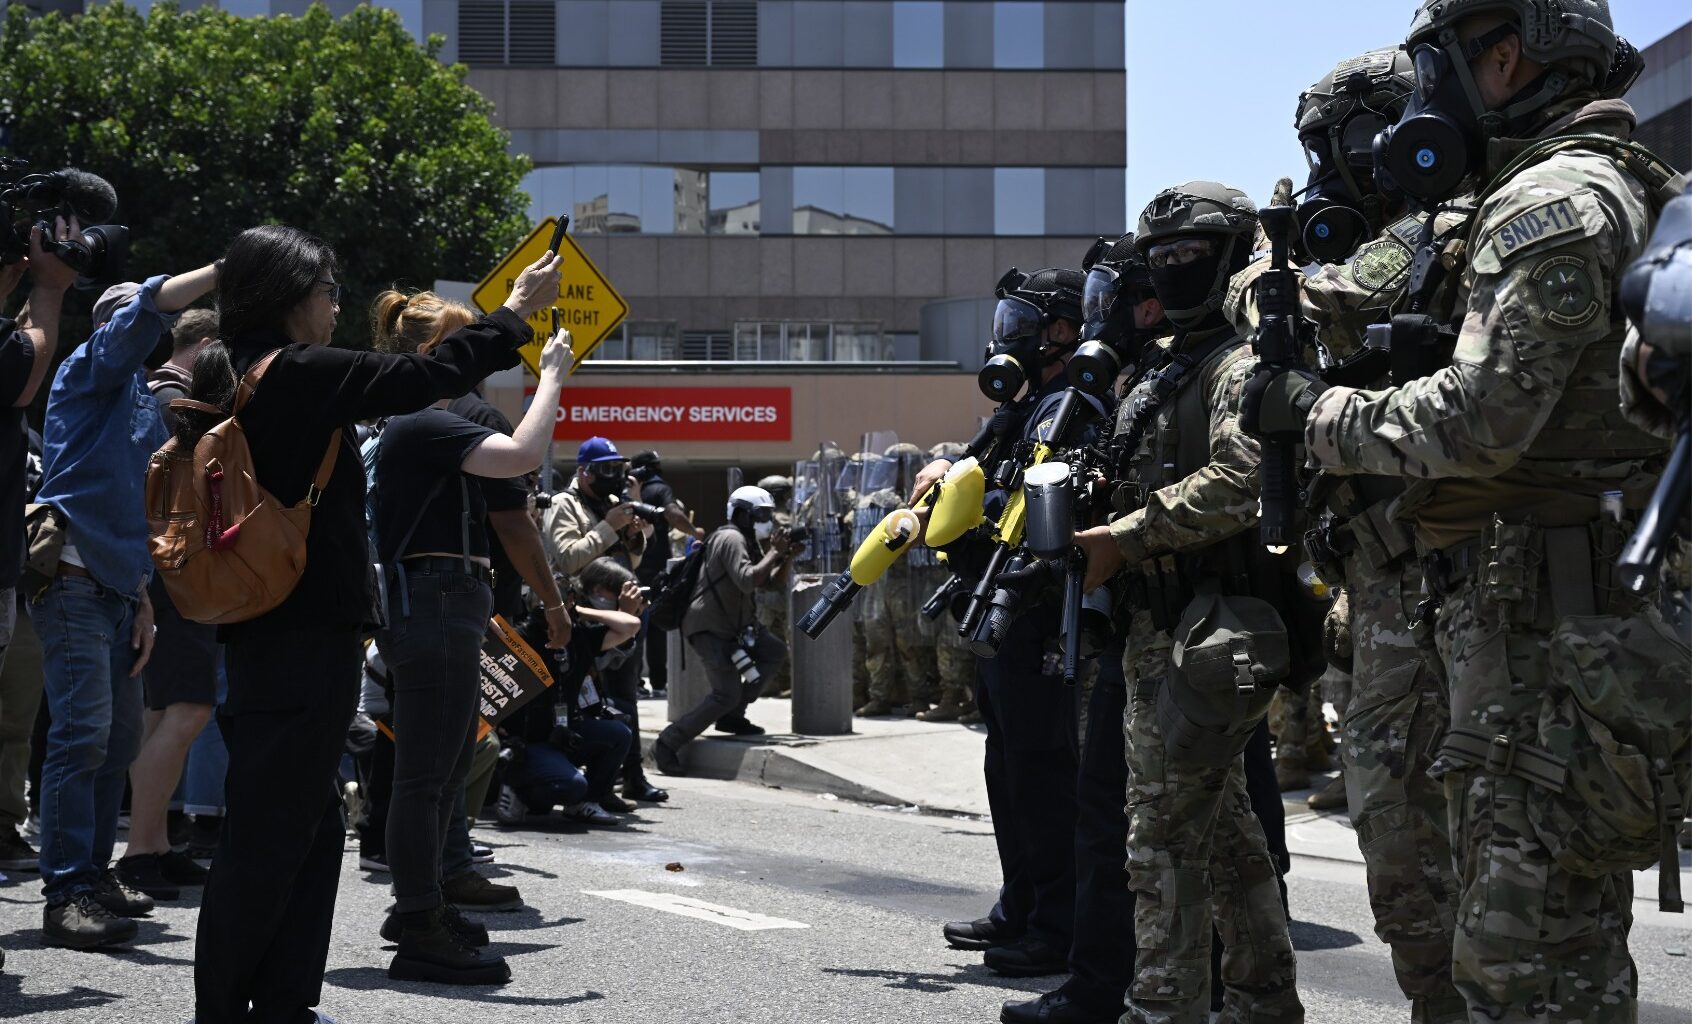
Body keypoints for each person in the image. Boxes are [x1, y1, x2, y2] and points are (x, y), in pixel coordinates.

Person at [1245, 3, 1684, 1017]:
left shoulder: (1558, 200)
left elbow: (1482, 419)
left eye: (1437, 66)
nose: (1425, 96)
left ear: (1504, 54)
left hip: (1551, 641)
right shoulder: (1571, 187)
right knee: (1540, 950)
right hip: (1546, 632)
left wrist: (1317, 413)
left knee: (1524, 966)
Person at [191, 224, 560, 1024]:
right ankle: (225, 1011)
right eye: (326, 292)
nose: (334, 307)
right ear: (293, 299)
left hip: (292, 634)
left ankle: (285, 1003)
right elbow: (424, 375)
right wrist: (515, 313)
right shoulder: (291, 373)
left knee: (313, 828)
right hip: (296, 637)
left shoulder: (249, 371)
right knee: (266, 838)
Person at [1226, 46, 1470, 1021]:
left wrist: (1263, 264)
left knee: (1506, 890)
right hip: (1388, 595)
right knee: (1408, 879)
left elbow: (1303, 305)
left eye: (1335, 145)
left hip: (1466, 590)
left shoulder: (1439, 230)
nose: (1332, 166)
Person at [1073, 183, 1303, 1022]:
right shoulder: (1167, 362)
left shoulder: (1240, 361)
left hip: (1209, 626)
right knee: (1231, 840)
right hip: (1157, 628)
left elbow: (1244, 480)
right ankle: (1264, 1002)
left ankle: (1165, 1009)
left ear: (1232, 255)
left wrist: (1125, 537)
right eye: (1160, 258)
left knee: (1162, 842)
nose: (1172, 271)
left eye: (1190, 256)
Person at [367, 292, 568, 985]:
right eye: (470, 344)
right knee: (427, 776)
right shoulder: (423, 421)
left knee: (446, 768)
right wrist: (553, 378)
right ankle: (419, 916)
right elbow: (522, 455)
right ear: (432, 359)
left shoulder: (429, 424)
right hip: (433, 602)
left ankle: (421, 907)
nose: (483, 354)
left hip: (444, 601)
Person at [31, 262, 218, 949]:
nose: (155, 331)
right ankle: (67, 891)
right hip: (75, 582)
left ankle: (92, 874)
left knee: (115, 743)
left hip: (116, 589)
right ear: (115, 326)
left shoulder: (140, 397)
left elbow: (139, 508)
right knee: (81, 737)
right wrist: (228, 268)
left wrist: (142, 596)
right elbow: (141, 312)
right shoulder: (88, 368)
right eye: (145, 321)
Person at [1004, 233, 1167, 1024]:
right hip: (1131, 626)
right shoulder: (1137, 384)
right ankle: (1114, 985)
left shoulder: (1196, 375)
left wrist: (1123, 535)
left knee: (1164, 824)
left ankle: (1150, 990)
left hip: (1189, 629)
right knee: (1110, 813)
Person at [934, 268, 1102, 981]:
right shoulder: (1026, 407)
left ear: (1063, 331)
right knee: (1006, 762)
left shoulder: (1077, 404)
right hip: (996, 603)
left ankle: (1057, 927)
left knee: (1042, 769)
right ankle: (1022, 902)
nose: (1008, 339)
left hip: (1040, 612)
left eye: (1023, 324)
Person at [116, 308, 222, 901]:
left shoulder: (153, 400)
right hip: (172, 578)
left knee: (167, 713)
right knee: (187, 709)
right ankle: (138, 852)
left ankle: (154, 843)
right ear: (204, 347)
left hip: (161, 577)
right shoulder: (170, 408)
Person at [0, 218, 77, 877]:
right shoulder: (17, 362)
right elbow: (26, 368)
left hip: (21, 582)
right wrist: (50, 286)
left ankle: (5, 825)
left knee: (18, 716)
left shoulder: (30, 438)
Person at [548, 437, 669, 803]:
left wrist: (632, 537)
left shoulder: (612, 503)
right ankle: (593, 780)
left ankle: (631, 777)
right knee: (587, 700)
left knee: (624, 696)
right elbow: (567, 559)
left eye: (618, 468)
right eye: (606, 469)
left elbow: (626, 562)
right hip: (584, 616)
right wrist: (608, 527)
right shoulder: (563, 504)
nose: (613, 477)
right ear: (584, 472)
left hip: (621, 608)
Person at [652, 486, 790, 775]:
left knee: (774, 651)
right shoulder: (731, 538)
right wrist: (774, 552)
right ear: (742, 514)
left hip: (736, 626)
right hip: (709, 627)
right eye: (761, 514)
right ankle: (667, 743)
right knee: (724, 693)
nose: (767, 521)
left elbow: (770, 583)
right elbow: (748, 580)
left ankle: (732, 717)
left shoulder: (748, 539)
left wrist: (786, 557)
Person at [497, 557, 642, 827]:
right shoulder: (522, 639)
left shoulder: (579, 636)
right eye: (547, 610)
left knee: (619, 733)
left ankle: (588, 803)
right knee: (571, 785)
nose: (552, 619)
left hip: (566, 731)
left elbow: (630, 626)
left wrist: (578, 612)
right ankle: (518, 788)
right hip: (531, 741)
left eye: (559, 607)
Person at [630, 448, 704, 700]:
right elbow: (673, 514)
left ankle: (635, 682)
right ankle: (659, 684)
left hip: (631, 563)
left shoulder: (627, 490)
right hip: (653, 567)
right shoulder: (660, 489)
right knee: (657, 626)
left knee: (634, 624)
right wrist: (694, 532)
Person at [753, 474, 794, 697]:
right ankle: (786, 681)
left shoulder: (765, 521)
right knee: (785, 635)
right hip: (784, 583)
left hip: (768, 585)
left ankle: (773, 681)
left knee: (770, 635)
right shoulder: (791, 519)